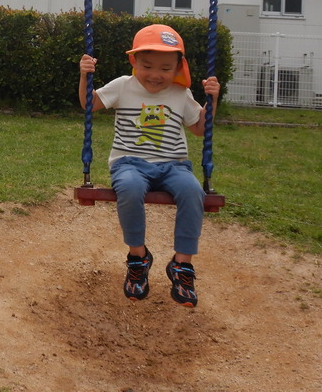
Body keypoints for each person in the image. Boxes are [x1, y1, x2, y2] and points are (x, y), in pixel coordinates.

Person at [79, 23, 220, 307]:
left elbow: (199, 128)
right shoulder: (122, 86)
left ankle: (182, 266)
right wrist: (86, 77)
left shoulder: (181, 94)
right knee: (129, 188)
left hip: (174, 165)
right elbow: (89, 104)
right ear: (133, 61)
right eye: (147, 66)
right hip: (129, 163)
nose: (156, 75)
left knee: (194, 192)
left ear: (179, 66)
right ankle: (138, 258)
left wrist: (212, 100)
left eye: (166, 68)